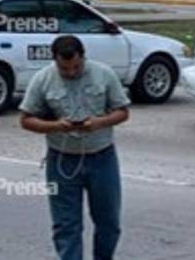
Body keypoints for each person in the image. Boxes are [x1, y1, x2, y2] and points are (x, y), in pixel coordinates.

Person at [19, 35, 130, 260]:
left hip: (102, 157)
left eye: (76, 67)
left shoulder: (104, 74)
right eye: (64, 68)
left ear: (83, 57)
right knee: (66, 224)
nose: (71, 72)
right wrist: (56, 125)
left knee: (109, 222)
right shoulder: (43, 79)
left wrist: (99, 122)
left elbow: (123, 111)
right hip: (62, 160)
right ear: (55, 61)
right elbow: (26, 119)